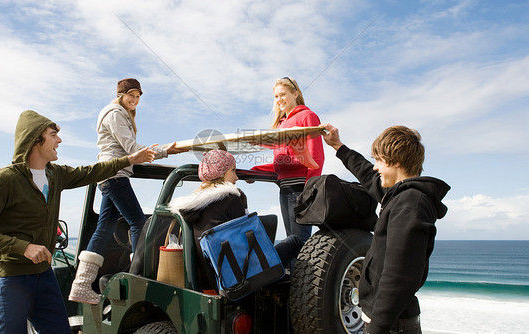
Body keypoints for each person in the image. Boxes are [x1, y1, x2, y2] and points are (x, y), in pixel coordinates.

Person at [0, 110, 155, 334]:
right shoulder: (6, 180)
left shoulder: (55, 175)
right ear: (35, 139)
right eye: (53, 134)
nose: (59, 140)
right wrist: (23, 248)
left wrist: (130, 159)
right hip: (15, 279)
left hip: (45, 276)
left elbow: (91, 171)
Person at [321, 123, 450, 334]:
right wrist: (338, 146)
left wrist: (377, 328)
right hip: (385, 321)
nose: (375, 166)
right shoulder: (399, 197)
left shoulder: (410, 204)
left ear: (396, 161)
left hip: (391, 325)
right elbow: (367, 175)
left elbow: (400, 276)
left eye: (379, 160)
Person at [69, 78, 186, 304]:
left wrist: (165, 151)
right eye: (131, 95)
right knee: (138, 223)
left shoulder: (123, 114)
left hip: (111, 175)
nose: (134, 100)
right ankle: (137, 277)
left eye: (138, 96)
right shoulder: (115, 113)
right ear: (121, 95)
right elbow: (131, 149)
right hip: (114, 175)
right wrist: (166, 151)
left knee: (105, 227)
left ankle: (82, 285)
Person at [169, 149, 303, 292]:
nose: (237, 177)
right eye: (233, 170)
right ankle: (304, 290)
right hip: (239, 276)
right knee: (294, 241)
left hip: (212, 278)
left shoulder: (193, 206)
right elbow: (250, 243)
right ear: (220, 173)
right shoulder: (230, 199)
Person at [252, 77, 324, 244]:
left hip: (300, 188)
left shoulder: (307, 116)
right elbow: (282, 162)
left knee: (298, 241)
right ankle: (285, 269)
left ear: (295, 94)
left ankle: (272, 267)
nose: (279, 100)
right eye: (276, 96)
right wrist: (256, 171)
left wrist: (308, 190)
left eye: (283, 94)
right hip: (284, 189)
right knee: (292, 241)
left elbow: (316, 157)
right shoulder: (281, 125)